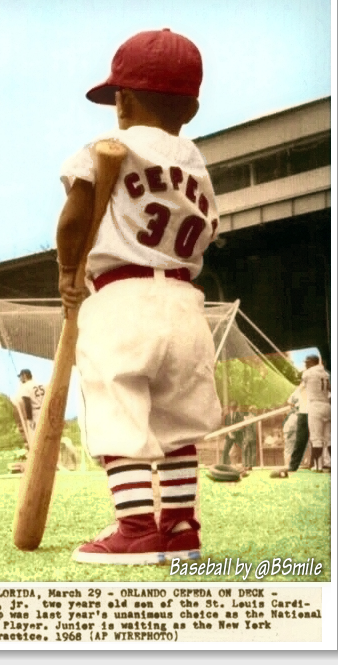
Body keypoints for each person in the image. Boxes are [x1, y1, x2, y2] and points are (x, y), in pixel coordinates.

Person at [56, 28, 222, 564]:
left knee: (115, 407)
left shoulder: (109, 146)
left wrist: (66, 270)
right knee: (177, 420)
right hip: (183, 300)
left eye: (117, 98)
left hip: (122, 295)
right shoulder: (196, 162)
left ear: (122, 101)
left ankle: (133, 528)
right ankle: (178, 527)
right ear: (191, 108)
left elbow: (76, 215)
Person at [302, 355, 331, 472]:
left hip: (315, 405)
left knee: (316, 438)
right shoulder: (326, 373)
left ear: (311, 362)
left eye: (307, 362)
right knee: (329, 438)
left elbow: (303, 386)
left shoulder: (307, 373)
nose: (305, 364)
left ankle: (318, 466)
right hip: (327, 405)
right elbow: (330, 388)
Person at [13, 369, 46, 446]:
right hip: (45, 411)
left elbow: (27, 402)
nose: (20, 379)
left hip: (35, 413)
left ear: (24, 376)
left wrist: (29, 419)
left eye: (20, 377)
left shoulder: (25, 387)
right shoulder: (42, 384)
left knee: (35, 438)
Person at [286, 380, 309, 471]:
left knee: (302, 441)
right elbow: (290, 401)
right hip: (306, 413)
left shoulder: (302, 387)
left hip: (305, 413)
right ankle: (292, 465)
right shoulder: (302, 387)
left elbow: (290, 401)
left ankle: (293, 466)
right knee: (317, 440)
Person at [221, 401, 245, 466]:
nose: (233, 409)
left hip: (238, 435)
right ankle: (224, 465)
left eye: (234, 408)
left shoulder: (240, 415)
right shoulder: (226, 416)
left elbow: (242, 426)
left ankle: (245, 464)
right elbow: (224, 426)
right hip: (229, 435)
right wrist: (229, 433)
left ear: (236, 408)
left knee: (244, 448)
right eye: (232, 408)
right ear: (230, 408)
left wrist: (236, 431)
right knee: (225, 450)